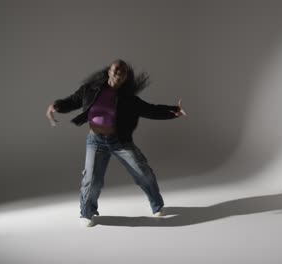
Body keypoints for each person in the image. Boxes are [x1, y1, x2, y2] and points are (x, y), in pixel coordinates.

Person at [46, 59, 187, 227]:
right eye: (116, 70)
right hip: (95, 141)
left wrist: (174, 111)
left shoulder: (128, 99)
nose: (119, 74)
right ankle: (87, 212)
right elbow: (72, 101)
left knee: (143, 172)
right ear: (109, 72)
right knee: (92, 179)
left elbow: (151, 109)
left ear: (126, 77)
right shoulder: (89, 90)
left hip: (119, 141)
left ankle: (157, 205)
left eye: (123, 72)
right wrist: (57, 106)